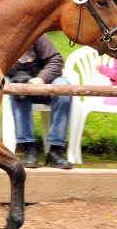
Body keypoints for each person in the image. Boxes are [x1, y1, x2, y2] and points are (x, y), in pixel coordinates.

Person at [7, 34, 72, 169]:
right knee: (18, 90)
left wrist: (41, 79)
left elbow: (56, 60)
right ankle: (29, 148)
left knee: (64, 89)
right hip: (21, 84)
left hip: (46, 81)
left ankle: (55, 150)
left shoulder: (35, 35)